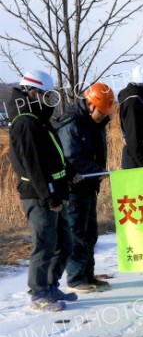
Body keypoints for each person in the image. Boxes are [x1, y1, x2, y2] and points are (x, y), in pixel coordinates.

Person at [7, 70, 77, 311]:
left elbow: (53, 154)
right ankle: (39, 294)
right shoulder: (25, 122)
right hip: (38, 195)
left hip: (53, 191)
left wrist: (68, 173)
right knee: (44, 244)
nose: (49, 98)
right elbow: (34, 165)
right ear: (32, 91)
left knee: (64, 243)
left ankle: (51, 285)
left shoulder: (38, 119)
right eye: (45, 93)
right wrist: (49, 197)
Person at [56, 82, 114, 294]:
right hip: (74, 188)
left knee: (91, 233)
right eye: (101, 111)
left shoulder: (95, 124)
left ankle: (88, 274)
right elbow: (71, 158)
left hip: (89, 186)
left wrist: (98, 173)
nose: (104, 115)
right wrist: (98, 171)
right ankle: (76, 278)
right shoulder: (71, 125)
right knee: (77, 233)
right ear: (90, 105)